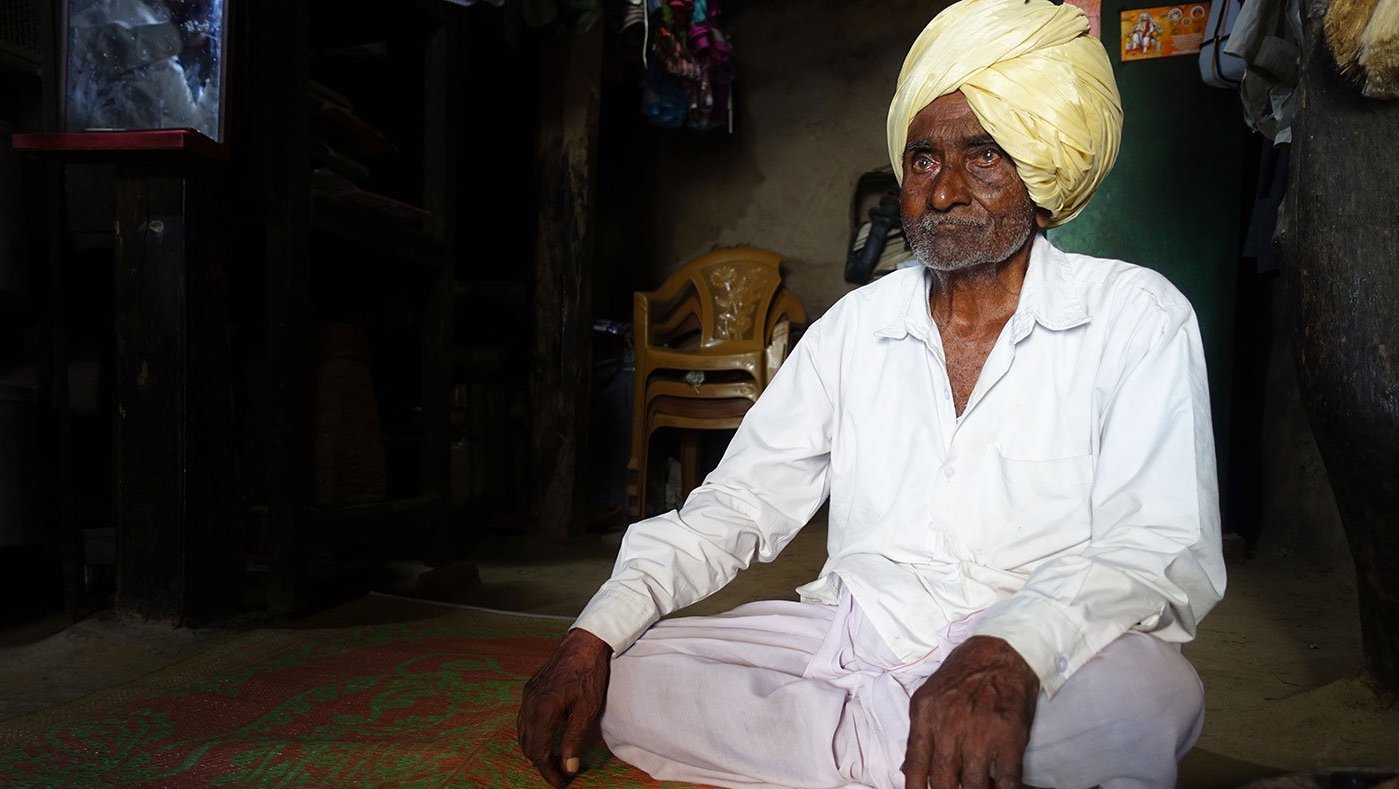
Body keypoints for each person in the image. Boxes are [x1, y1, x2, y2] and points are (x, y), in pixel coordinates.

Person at [517, 0, 1226, 786]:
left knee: (1154, 698)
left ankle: (874, 747)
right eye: (923, 159)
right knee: (634, 676)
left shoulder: (1135, 316)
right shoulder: (856, 327)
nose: (945, 190)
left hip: (1028, 641)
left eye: (984, 156)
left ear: (1044, 180)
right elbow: (735, 508)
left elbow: (1154, 547)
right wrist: (591, 635)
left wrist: (1009, 649)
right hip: (849, 636)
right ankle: (926, 756)